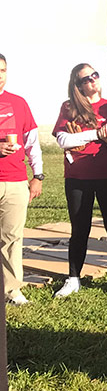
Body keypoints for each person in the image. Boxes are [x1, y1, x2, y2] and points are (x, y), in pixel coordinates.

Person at [52, 63, 107, 298]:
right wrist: (96, 134)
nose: (92, 80)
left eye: (94, 75)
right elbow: (62, 140)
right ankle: (73, 278)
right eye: (85, 79)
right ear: (77, 85)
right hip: (79, 177)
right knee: (79, 228)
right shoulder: (69, 107)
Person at [0, 53, 44, 306]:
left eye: (3, 70)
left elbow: (32, 143)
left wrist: (37, 176)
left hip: (16, 182)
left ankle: (12, 289)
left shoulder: (18, 103)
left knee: (12, 238)